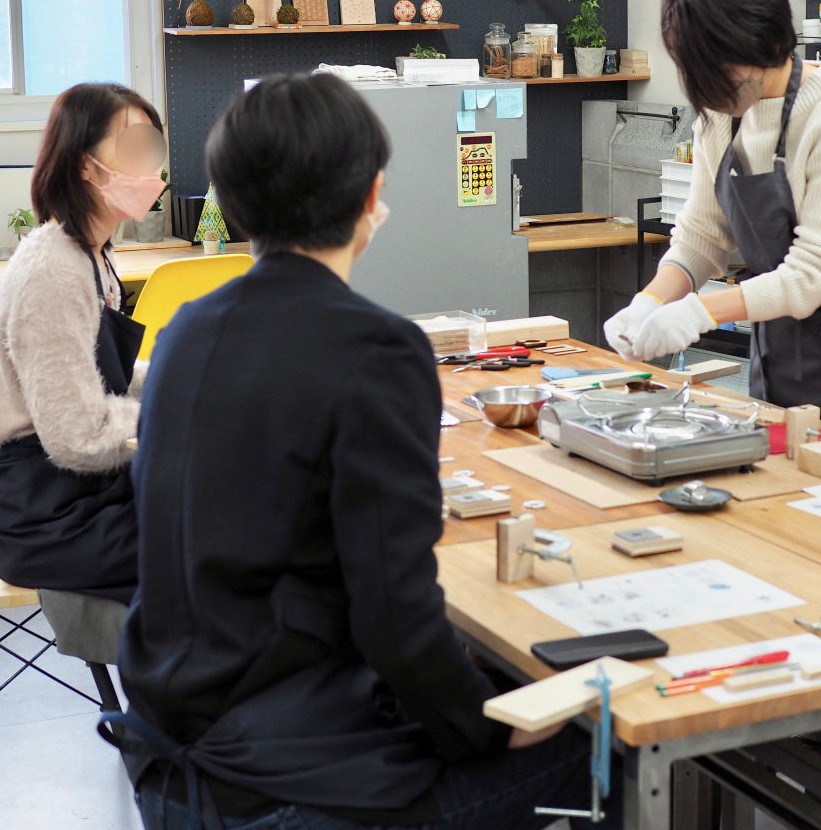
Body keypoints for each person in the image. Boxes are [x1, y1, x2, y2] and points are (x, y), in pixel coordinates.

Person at [111, 72, 597, 830]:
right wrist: (491, 723)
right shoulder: (378, 347)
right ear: (371, 197)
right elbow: (394, 614)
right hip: (292, 786)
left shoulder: (183, 336)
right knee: (600, 744)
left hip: (173, 757)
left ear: (230, 203)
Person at [605, 0, 821, 434]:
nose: (702, 89)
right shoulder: (722, 114)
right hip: (777, 335)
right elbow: (702, 235)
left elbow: (815, 274)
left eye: (713, 70)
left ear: (759, 42)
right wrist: (650, 301)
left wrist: (701, 310)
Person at [0, 83, 166, 603]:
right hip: (45, 517)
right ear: (85, 165)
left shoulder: (91, 255)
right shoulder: (55, 268)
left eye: (152, 148)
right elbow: (78, 437)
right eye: (132, 148)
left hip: (82, 496)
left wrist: (190, 375)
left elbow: (105, 375)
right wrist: (178, 414)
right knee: (235, 537)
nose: (148, 167)